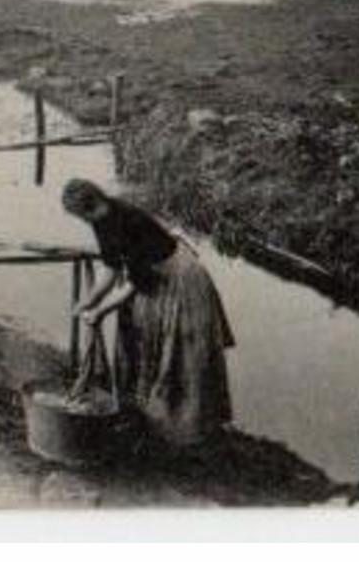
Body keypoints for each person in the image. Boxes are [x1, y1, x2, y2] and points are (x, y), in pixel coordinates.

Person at [61, 178, 236, 447]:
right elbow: (111, 268)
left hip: (178, 280)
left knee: (180, 353)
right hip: (153, 278)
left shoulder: (125, 221)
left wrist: (101, 312)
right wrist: (89, 301)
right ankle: (151, 418)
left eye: (79, 216)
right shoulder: (103, 217)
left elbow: (136, 283)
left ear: (88, 207)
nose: (83, 221)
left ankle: (186, 430)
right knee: (144, 343)